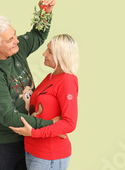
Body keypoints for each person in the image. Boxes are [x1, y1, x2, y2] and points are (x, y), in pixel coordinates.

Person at [0, 0, 61, 170]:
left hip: (28, 137)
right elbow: (9, 117)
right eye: (10, 40)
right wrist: (52, 125)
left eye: (14, 35)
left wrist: (45, 13)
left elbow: (37, 34)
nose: (17, 41)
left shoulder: (15, 50)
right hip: (2, 146)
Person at [8, 34, 80, 170]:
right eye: (47, 49)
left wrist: (35, 133)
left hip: (50, 155)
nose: (44, 53)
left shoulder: (67, 81)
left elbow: (70, 123)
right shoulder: (50, 77)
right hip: (33, 150)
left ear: (62, 56)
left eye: (50, 52)